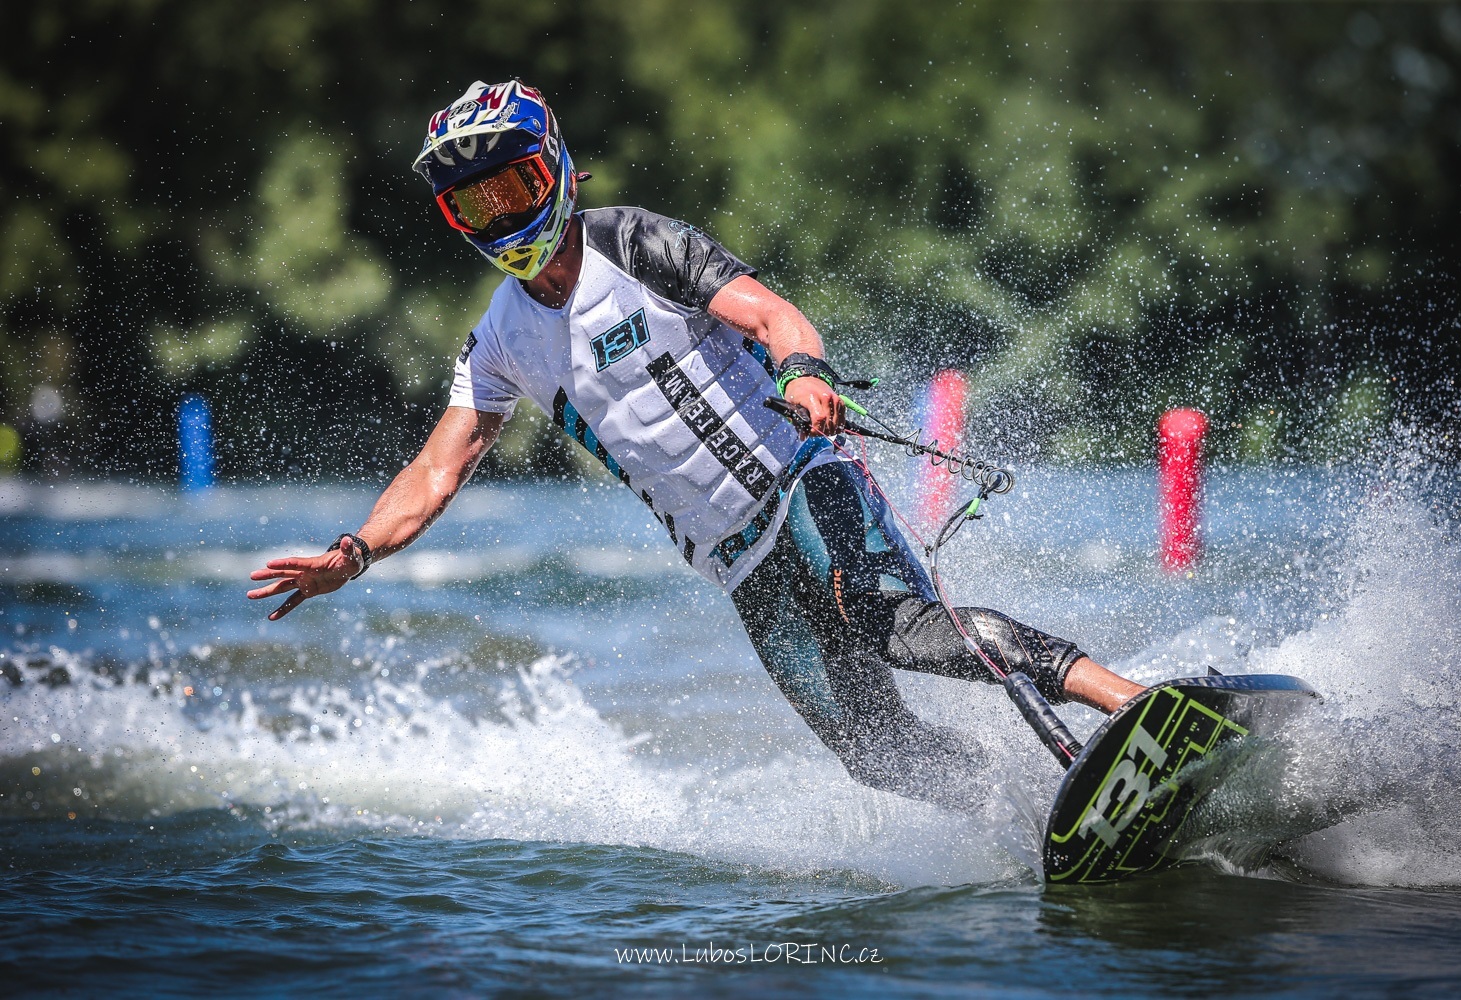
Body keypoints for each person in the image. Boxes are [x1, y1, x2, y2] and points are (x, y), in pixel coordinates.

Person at [248, 80, 1145, 813]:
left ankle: (1134, 705)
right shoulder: (499, 342)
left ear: (553, 171)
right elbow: (436, 470)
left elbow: (773, 315)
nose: (500, 215)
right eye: (474, 204)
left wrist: (802, 372)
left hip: (802, 481)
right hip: (736, 560)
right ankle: (1025, 809)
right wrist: (353, 553)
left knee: (895, 627)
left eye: (511, 189)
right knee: (873, 750)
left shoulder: (634, 243)